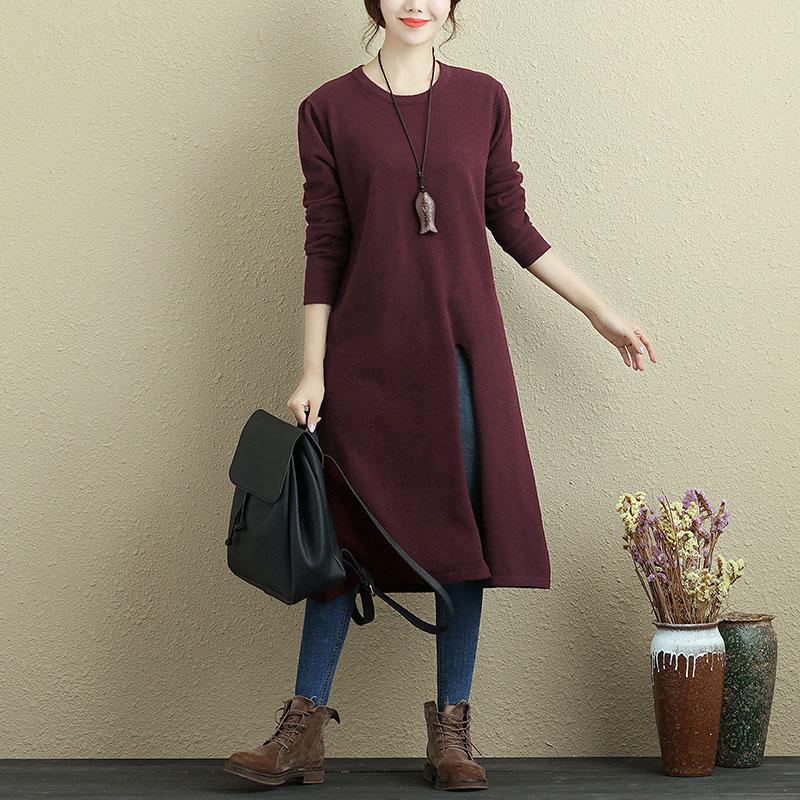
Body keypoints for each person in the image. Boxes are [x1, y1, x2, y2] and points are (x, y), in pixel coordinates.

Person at [223, 0, 656, 791]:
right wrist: (313, 369)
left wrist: (600, 311)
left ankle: (451, 733)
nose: (416, 2)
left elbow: (511, 221)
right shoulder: (326, 110)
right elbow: (325, 244)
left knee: (461, 532)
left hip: (458, 353)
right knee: (339, 539)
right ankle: (300, 732)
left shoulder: (483, 98)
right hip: (363, 358)